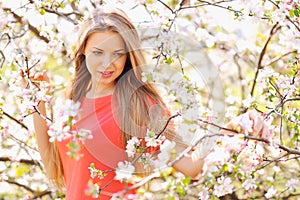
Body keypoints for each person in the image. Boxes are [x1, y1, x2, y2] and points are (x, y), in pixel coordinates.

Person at [31, 7, 269, 200]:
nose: (107, 63)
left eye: (118, 54)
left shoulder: (139, 102)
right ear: (83, 51)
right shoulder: (72, 100)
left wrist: (234, 130)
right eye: (98, 52)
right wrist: (38, 100)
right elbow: (55, 168)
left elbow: (190, 166)